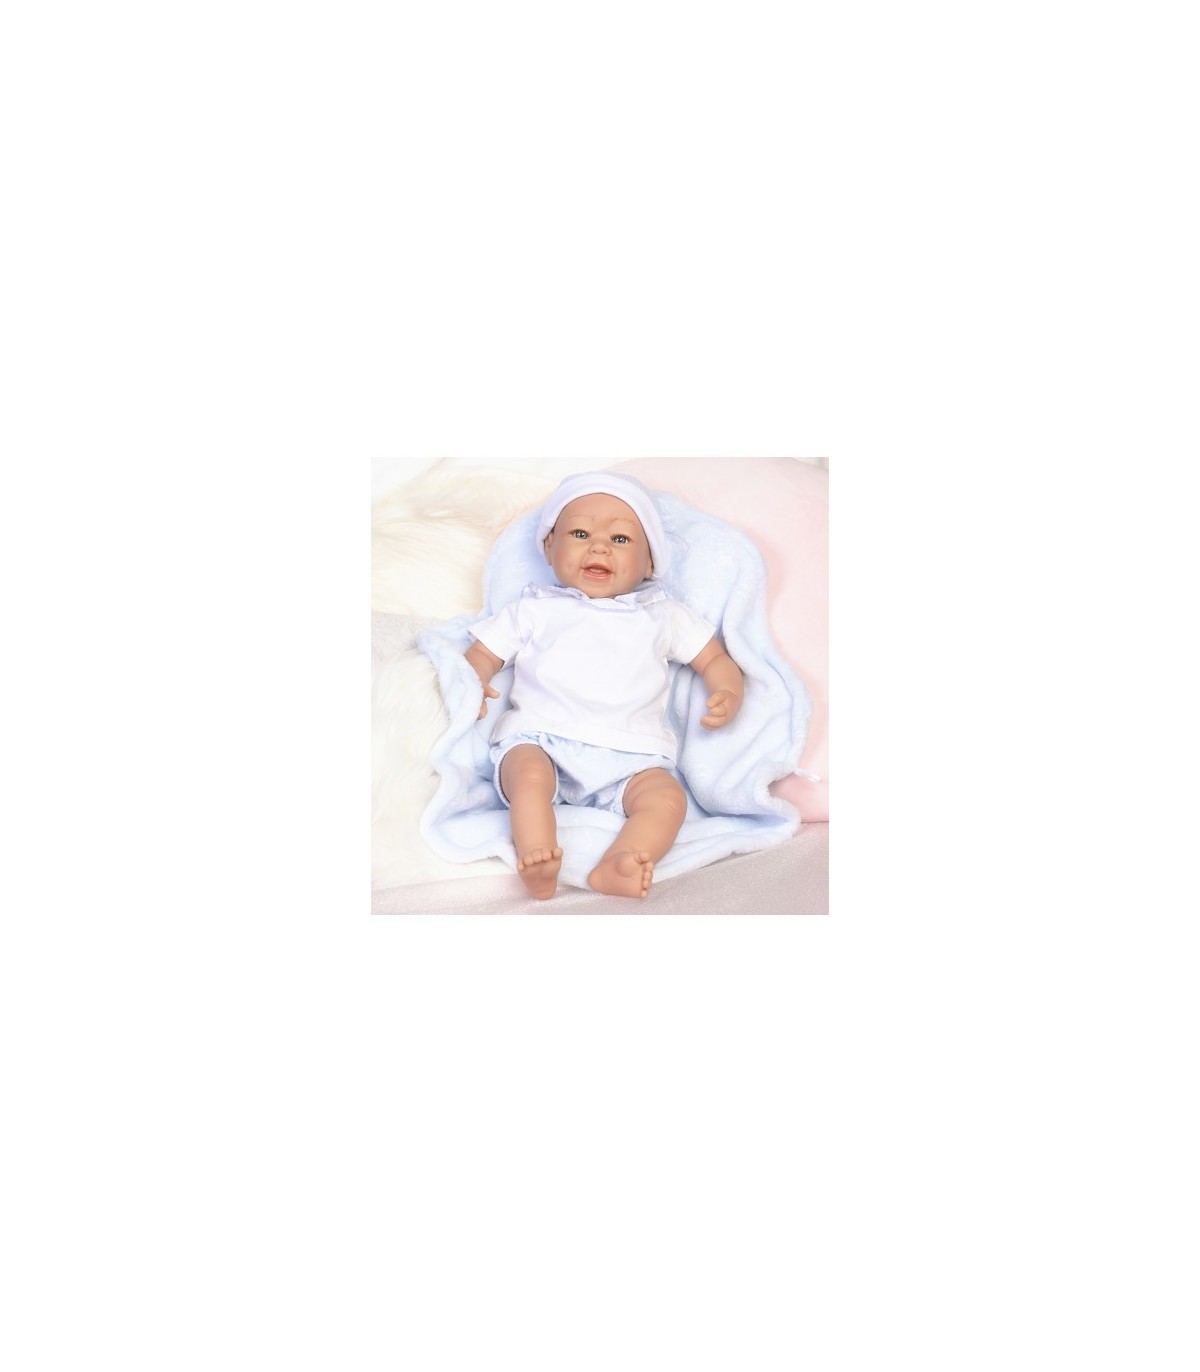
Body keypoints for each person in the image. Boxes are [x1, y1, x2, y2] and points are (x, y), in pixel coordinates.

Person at [464, 472, 744, 900]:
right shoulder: (534, 609)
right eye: (580, 534)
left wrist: (728, 691)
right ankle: (537, 854)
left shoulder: (663, 615)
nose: (598, 547)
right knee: (528, 778)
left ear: (649, 564)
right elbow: (483, 654)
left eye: (620, 539)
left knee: (667, 800)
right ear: (549, 548)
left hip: (632, 756)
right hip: (541, 738)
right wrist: (475, 682)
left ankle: (619, 863)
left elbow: (714, 659)